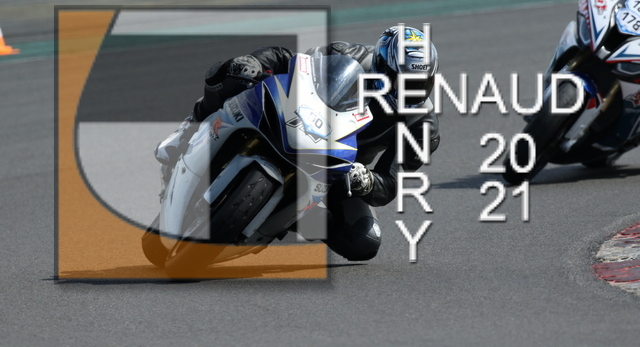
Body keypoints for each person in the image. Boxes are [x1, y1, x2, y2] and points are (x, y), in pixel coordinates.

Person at [155, 26, 441, 261]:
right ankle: (186, 132)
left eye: (419, 85)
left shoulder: (422, 127)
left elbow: (390, 183)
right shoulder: (346, 54)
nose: (409, 92)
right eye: (402, 81)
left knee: (363, 241)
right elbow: (288, 60)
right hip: (298, 120)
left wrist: (366, 180)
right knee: (232, 73)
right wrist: (256, 63)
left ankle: (295, 214)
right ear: (382, 66)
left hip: (340, 167)